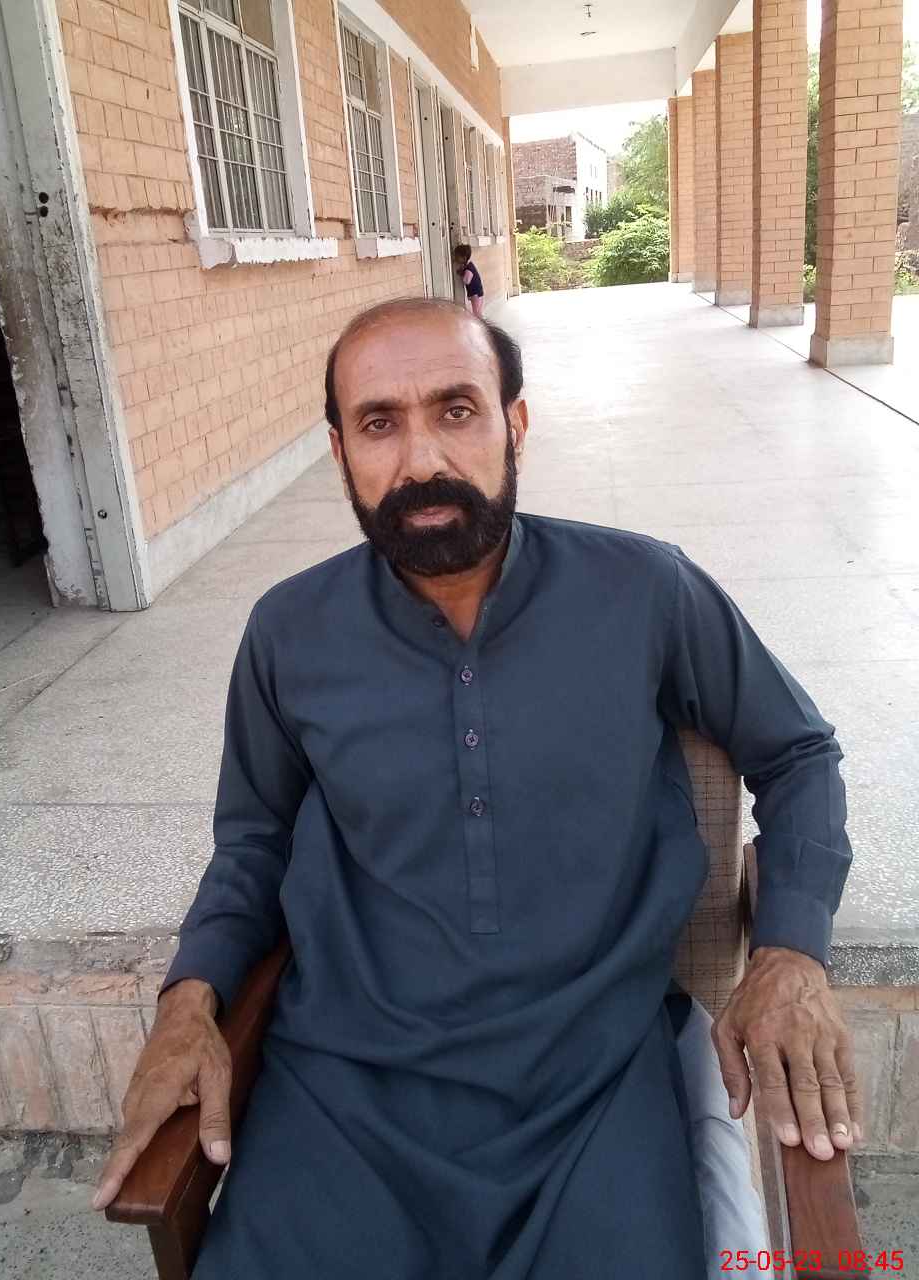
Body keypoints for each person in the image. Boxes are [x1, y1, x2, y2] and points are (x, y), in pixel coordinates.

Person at [94, 299, 861, 1279]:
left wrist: (791, 953)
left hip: (595, 1085)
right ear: (340, 451)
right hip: (345, 1094)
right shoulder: (289, 632)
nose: (421, 460)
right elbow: (254, 841)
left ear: (516, 422)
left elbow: (799, 754)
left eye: (456, 409)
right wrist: (187, 1003)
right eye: (379, 422)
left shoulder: (644, 591)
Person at [454, 242, 484, 315]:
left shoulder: (469, 269)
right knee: (477, 312)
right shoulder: (469, 265)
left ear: (464, 258)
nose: (455, 258)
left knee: (477, 313)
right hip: (477, 293)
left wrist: (461, 274)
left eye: (457, 257)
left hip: (476, 294)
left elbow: (466, 281)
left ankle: (479, 322)